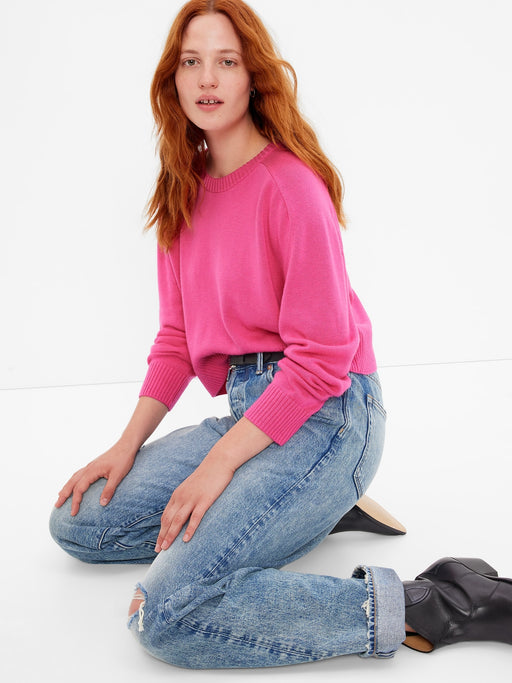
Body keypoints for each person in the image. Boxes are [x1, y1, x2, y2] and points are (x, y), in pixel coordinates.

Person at [49, 0, 512, 669]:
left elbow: (320, 362)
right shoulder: (181, 192)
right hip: (252, 414)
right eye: (192, 61)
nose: (208, 78)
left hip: (330, 417)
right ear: (173, 78)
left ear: (253, 78)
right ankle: (313, 509)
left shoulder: (290, 187)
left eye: (227, 61)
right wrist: (125, 446)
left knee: (167, 615)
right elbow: (176, 338)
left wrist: (219, 466)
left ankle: (432, 601)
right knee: (79, 520)